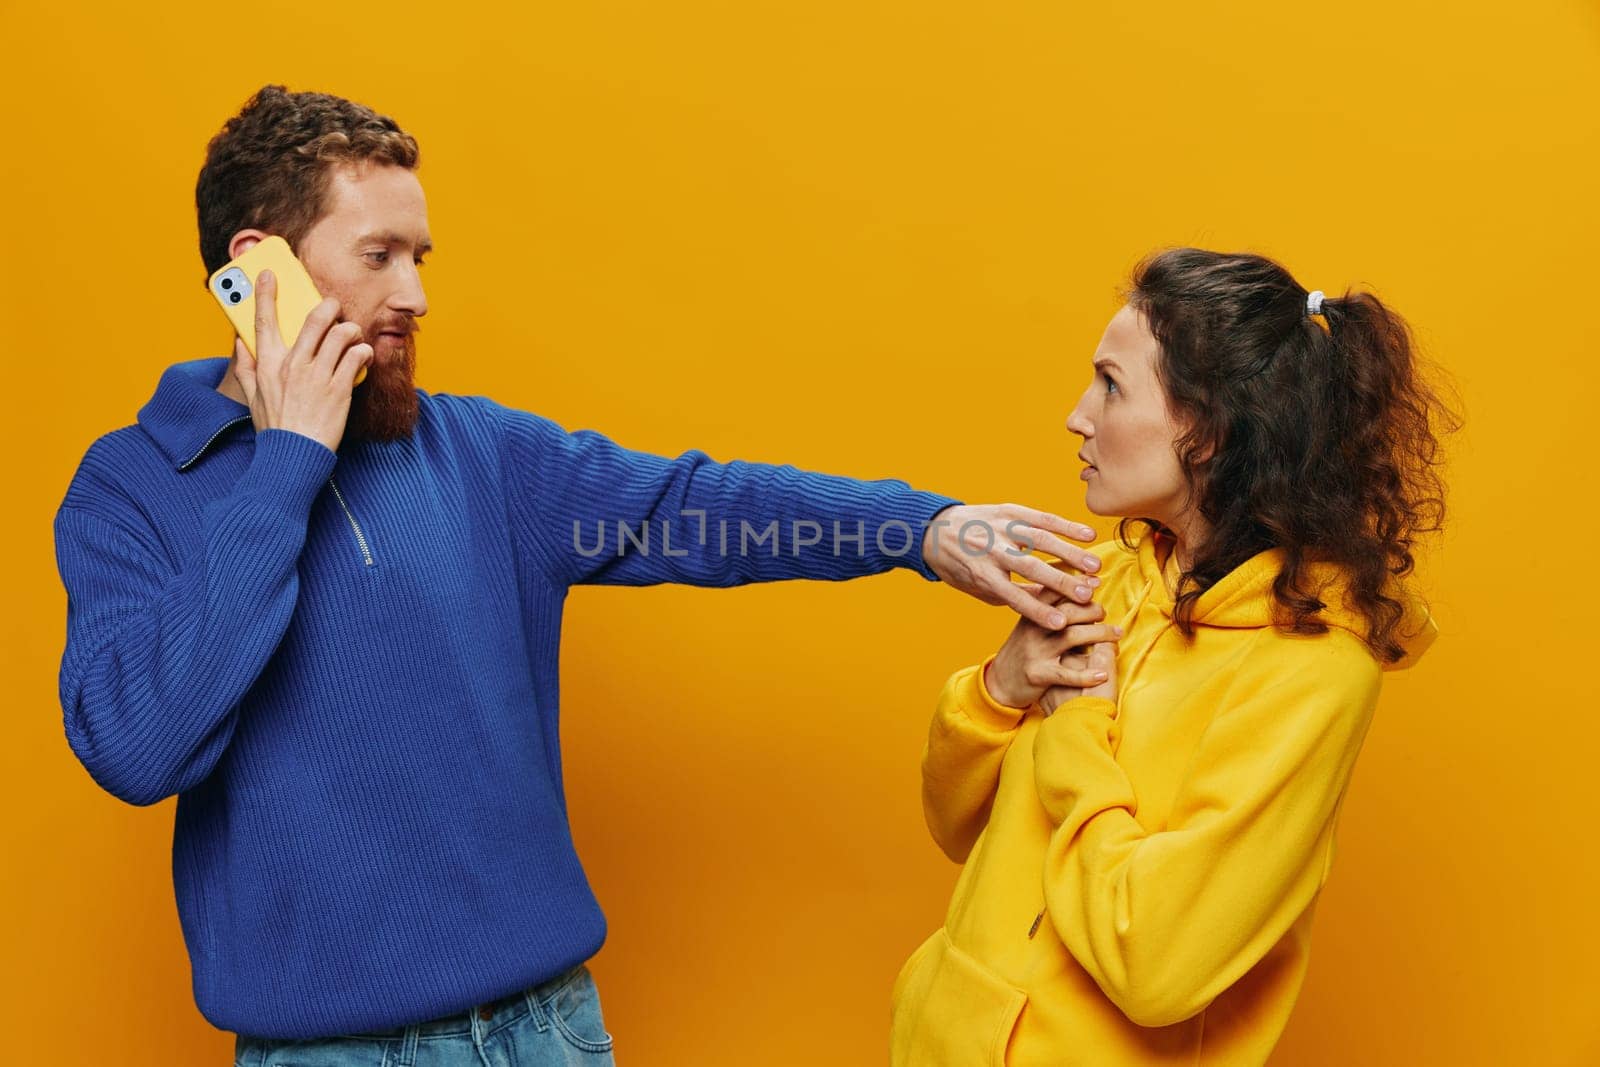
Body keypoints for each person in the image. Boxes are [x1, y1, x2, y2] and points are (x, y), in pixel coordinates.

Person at [50, 86, 1103, 1065]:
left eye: (420, 256)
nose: (414, 293)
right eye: (378, 255)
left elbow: (698, 506)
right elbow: (139, 744)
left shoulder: (480, 457)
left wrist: (923, 529)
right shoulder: (135, 487)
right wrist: (287, 464)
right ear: (257, 268)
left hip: (545, 1028)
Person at [890, 247, 1455, 1065]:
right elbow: (954, 826)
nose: (1078, 416)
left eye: (1112, 385)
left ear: (1209, 429)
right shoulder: (1108, 581)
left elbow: (1155, 963)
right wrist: (999, 690)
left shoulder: (1315, 670)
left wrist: (1078, 724)